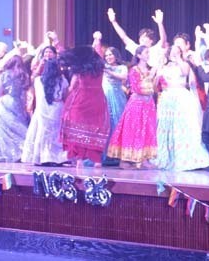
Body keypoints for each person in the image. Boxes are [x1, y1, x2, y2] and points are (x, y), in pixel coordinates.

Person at [153, 45, 209, 171]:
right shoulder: (163, 67)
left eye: (178, 51)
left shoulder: (184, 64)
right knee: (167, 127)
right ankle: (168, 157)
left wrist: (178, 58)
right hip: (167, 97)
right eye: (172, 51)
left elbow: (185, 73)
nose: (175, 53)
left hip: (181, 96)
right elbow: (155, 83)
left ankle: (186, 159)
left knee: (183, 126)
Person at [107, 45, 158, 169]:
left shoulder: (151, 69)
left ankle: (144, 159)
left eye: (148, 52)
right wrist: (150, 78)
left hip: (148, 104)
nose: (148, 54)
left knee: (147, 130)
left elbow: (155, 87)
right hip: (137, 104)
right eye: (146, 52)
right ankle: (125, 160)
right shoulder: (134, 70)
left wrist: (154, 77)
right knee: (132, 130)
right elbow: (136, 88)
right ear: (139, 55)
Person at [60, 46, 111, 168]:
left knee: (77, 126)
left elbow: (65, 56)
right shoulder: (100, 66)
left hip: (82, 97)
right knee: (96, 127)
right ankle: (97, 160)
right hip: (97, 98)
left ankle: (79, 160)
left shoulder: (80, 67)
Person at [0, 56, 31, 163]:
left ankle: (7, 153)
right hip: (19, 103)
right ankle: (24, 151)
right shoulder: (25, 75)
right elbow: (24, 93)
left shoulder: (4, 75)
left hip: (5, 102)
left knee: (3, 130)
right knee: (18, 127)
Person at [21, 59, 69, 165]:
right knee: (56, 134)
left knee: (42, 133)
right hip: (57, 109)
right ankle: (56, 158)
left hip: (42, 109)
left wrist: (39, 67)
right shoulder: (63, 81)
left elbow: (31, 78)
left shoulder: (38, 80)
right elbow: (66, 97)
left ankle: (41, 157)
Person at [94, 35, 128, 166]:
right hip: (104, 97)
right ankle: (104, 155)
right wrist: (97, 40)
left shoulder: (122, 67)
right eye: (106, 55)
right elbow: (95, 53)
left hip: (117, 97)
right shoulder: (103, 66)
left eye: (111, 55)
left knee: (117, 124)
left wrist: (109, 71)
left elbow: (123, 77)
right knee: (104, 125)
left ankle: (117, 155)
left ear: (116, 56)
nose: (108, 57)